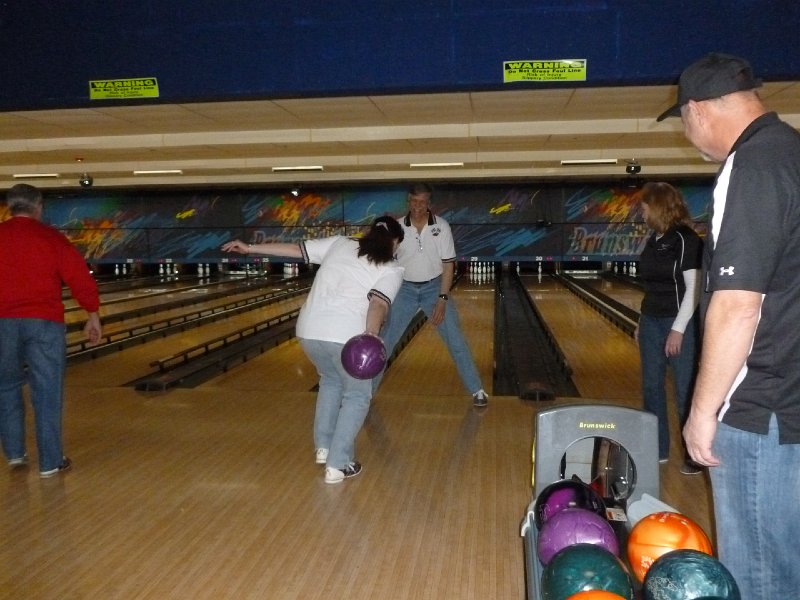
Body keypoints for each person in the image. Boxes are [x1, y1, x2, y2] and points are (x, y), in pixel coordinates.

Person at [659, 52, 800, 599]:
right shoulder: (792, 152)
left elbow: (738, 305)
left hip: (757, 407)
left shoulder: (752, 166)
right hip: (790, 399)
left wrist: (701, 412)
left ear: (696, 110)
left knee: (759, 570)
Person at [221, 216, 404, 484]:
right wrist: (371, 337)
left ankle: (324, 446)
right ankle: (339, 464)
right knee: (357, 397)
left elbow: (296, 250)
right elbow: (378, 303)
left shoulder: (339, 243)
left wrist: (250, 248)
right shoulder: (391, 266)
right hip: (346, 337)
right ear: (395, 242)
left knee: (330, 381)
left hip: (308, 330)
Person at [0, 183, 102, 478]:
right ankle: (50, 462)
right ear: (38, 205)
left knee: (5, 388)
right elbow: (79, 277)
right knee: (47, 391)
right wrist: (92, 313)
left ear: (10, 206)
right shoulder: (51, 237)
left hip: (2, 322)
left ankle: (15, 455)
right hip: (44, 323)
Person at [375, 183, 488, 407]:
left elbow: (448, 265)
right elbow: (386, 262)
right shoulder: (397, 228)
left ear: (429, 203)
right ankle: (365, 393)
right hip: (404, 290)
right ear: (409, 201)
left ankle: (477, 390)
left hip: (434, 288)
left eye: (423, 202)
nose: (418, 206)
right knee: (386, 342)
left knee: (456, 340)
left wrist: (442, 298)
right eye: (414, 201)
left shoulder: (442, 227)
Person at [635, 181, 703, 475]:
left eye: (645, 205)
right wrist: (641, 321)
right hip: (651, 321)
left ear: (658, 206)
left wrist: (678, 329)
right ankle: (657, 448)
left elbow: (694, 288)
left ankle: (693, 453)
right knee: (651, 387)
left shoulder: (686, 239)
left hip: (680, 324)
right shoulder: (654, 238)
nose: (642, 211)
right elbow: (650, 287)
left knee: (684, 389)